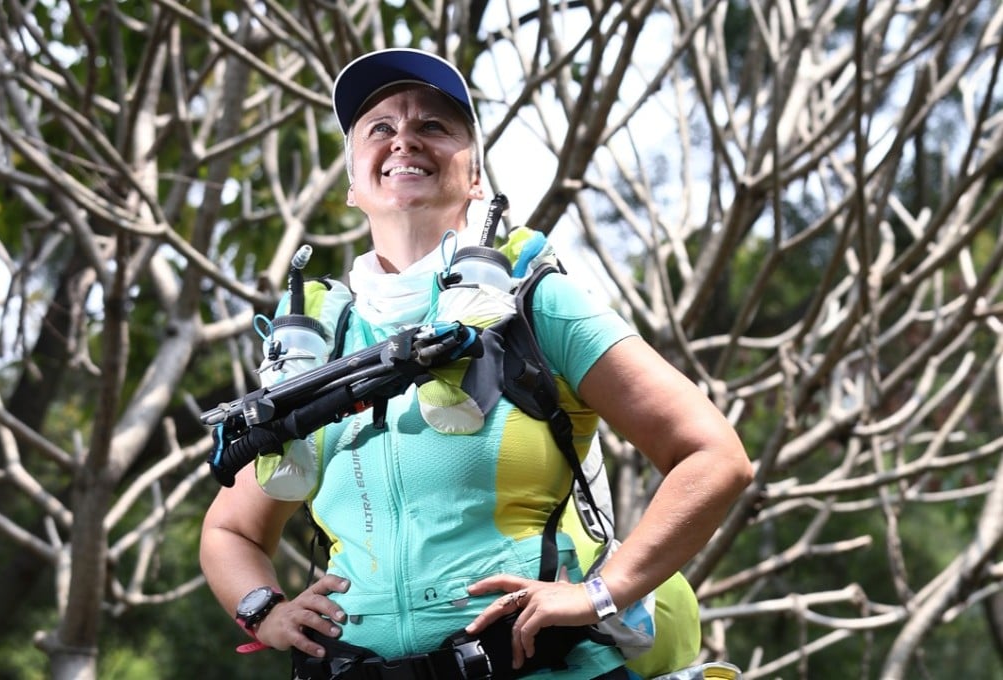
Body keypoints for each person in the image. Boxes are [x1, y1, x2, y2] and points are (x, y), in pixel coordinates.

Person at [200, 47, 754, 680]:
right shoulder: (320, 341)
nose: (403, 138)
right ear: (353, 184)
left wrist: (602, 593)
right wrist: (264, 610)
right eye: (379, 128)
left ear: (475, 179)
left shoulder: (535, 303)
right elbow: (231, 529)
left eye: (433, 126)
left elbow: (715, 457)